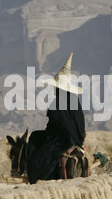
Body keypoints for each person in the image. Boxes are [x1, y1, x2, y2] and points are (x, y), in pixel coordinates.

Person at [26, 53, 86, 184]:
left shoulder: (56, 103)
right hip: (77, 140)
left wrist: (49, 134)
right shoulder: (75, 101)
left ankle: (34, 177)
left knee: (36, 138)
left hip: (62, 141)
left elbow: (54, 127)